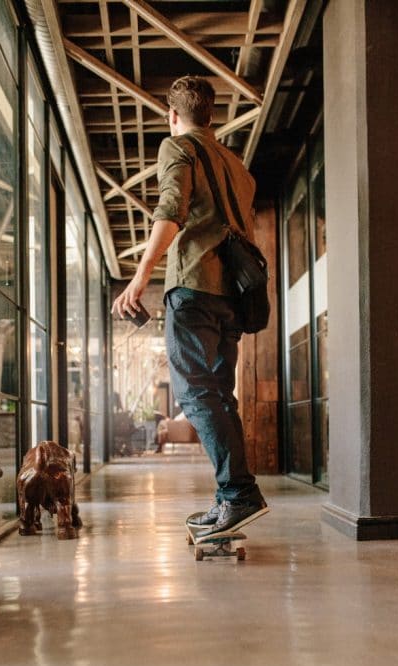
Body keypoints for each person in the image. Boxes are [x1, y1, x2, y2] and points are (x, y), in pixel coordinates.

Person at [111, 75, 269, 539]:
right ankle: (228, 501)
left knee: (197, 394)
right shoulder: (238, 167)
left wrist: (139, 280)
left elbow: (170, 211)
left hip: (196, 289)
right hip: (233, 296)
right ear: (212, 115)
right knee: (220, 396)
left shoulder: (177, 147)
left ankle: (239, 495)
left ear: (173, 116)